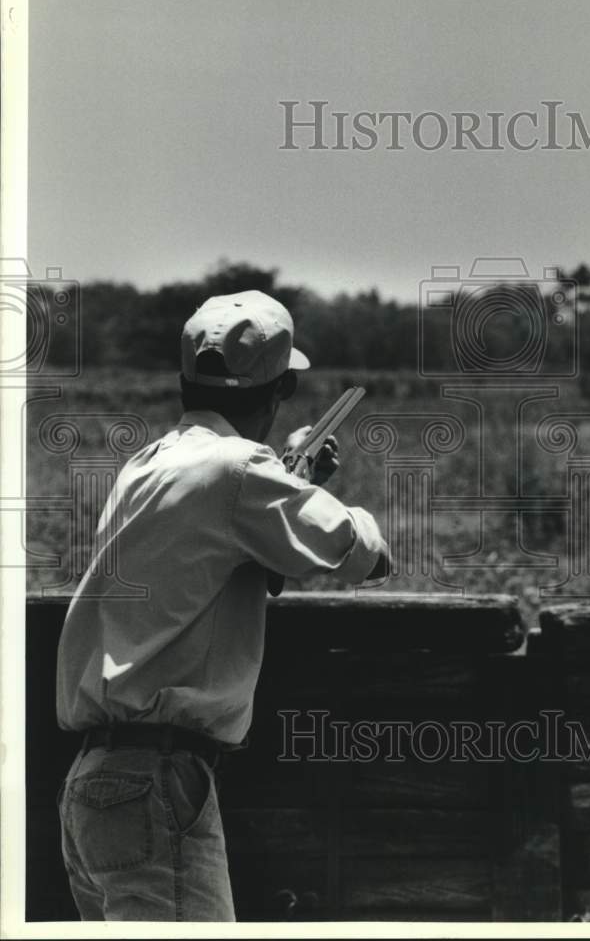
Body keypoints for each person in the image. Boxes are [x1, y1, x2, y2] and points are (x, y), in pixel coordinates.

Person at [55, 290, 389, 921]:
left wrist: (289, 482)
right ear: (280, 389)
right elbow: (354, 550)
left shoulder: (144, 465)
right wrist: (296, 488)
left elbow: (197, 567)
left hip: (92, 782)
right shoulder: (240, 469)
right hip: (159, 776)